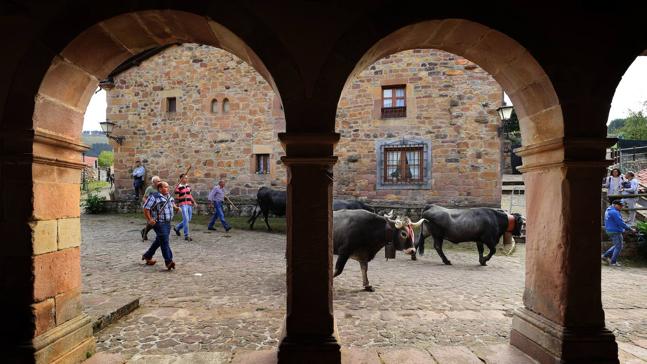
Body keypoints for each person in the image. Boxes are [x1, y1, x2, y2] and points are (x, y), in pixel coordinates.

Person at [141, 181, 178, 270]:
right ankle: (168, 261)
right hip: (158, 223)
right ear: (160, 188)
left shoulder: (168, 196)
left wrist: (175, 207)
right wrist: (150, 219)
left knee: (159, 240)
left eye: (168, 187)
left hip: (168, 222)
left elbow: (172, 203)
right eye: (165, 187)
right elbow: (146, 208)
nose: (167, 189)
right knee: (165, 241)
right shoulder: (154, 197)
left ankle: (147, 256)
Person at [602, 200, 636, 267]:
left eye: (622, 206)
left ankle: (605, 256)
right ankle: (613, 262)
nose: (621, 207)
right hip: (615, 231)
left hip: (610, 230)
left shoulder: (608, 210)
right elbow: (620, 223)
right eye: (620, 206)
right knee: (619, 246)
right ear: (615, 205)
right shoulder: (614, 212)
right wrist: (630, 228)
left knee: (617, 245)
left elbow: (615, 220)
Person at [173, 174, 198, 241]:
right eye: (185, 178)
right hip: (183, 204)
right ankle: (186, 235)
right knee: (186, 219)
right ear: (181, 179)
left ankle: (177, 228)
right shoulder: (178, 187)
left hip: (189, 204)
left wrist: (194, 202)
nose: (186, 179)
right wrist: (182, 197)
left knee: (188, 219)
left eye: (187, 178)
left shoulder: (188, 186)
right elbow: (177, 197)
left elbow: (190, 195)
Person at [140, 175, 161, 241]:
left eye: (160, 181)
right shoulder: (150, 188)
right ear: (154, 182)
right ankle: (145, 232)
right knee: (152, 221)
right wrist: (149, 205)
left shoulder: (159, 188)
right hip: (151, 208)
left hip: (158, 207)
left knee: (155, 221)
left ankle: (144, 231)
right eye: (158, 181)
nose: (159, 182)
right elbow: (144, 198)